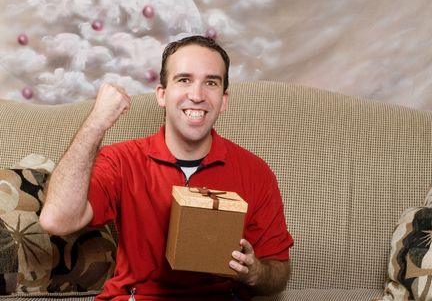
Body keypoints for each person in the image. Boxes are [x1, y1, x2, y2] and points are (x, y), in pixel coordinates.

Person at [40, 35, 294, 301]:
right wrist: (96, 122)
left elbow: (278, 272)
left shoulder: (255, 172)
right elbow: (56, 219)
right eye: (184, 80)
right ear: (162, 94)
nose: (196, 95)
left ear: (224, 100)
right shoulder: (122, 161)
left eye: (211, 83)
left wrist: (255, 272)